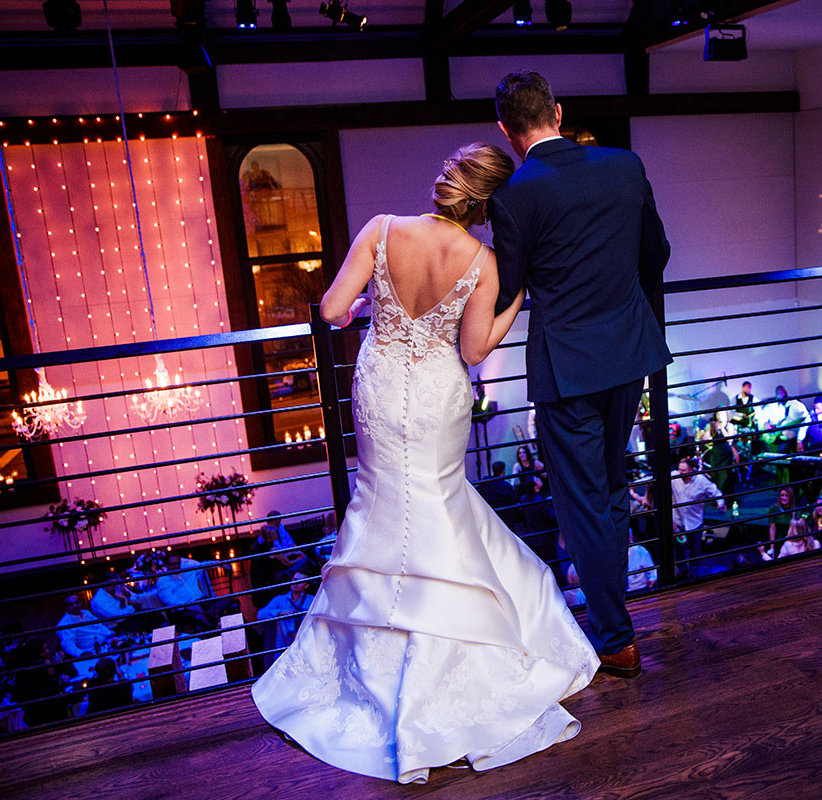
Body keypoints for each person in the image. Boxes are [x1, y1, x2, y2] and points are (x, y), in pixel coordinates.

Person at [251, 143, 598, 784]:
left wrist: (367, 312)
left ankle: (375, 645)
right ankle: (453, 640)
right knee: (439, 502)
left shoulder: (381, 230)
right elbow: (473, 348)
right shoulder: (485, 262)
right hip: (438, 391)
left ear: (445, 182)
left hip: (380, 384)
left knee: (380, 500)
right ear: (489, 204)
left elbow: (330, 310)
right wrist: (514, 302)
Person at [490, 70, 671, 678]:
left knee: (582, 503)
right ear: (558, 113)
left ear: (506, 131)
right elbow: (657, 252)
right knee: (613, 487)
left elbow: (508, 286)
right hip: (630, 352)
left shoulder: (514, 195)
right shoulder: (624, 165)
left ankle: (617, 639)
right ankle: (615, 620)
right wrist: (638, 318)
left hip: (567, 366)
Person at [669, 457, 725, 579]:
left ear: (691, 470)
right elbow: (654, 479)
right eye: (679, 470)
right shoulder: (674, 477)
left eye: (683, 470)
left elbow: (716, 492)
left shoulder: (701, 481)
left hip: (694, 522)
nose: (680, 473)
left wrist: (720, 504)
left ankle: (694, 571)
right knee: (679, 548)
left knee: (695, 549)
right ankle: (682, 570)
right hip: (678, 522)